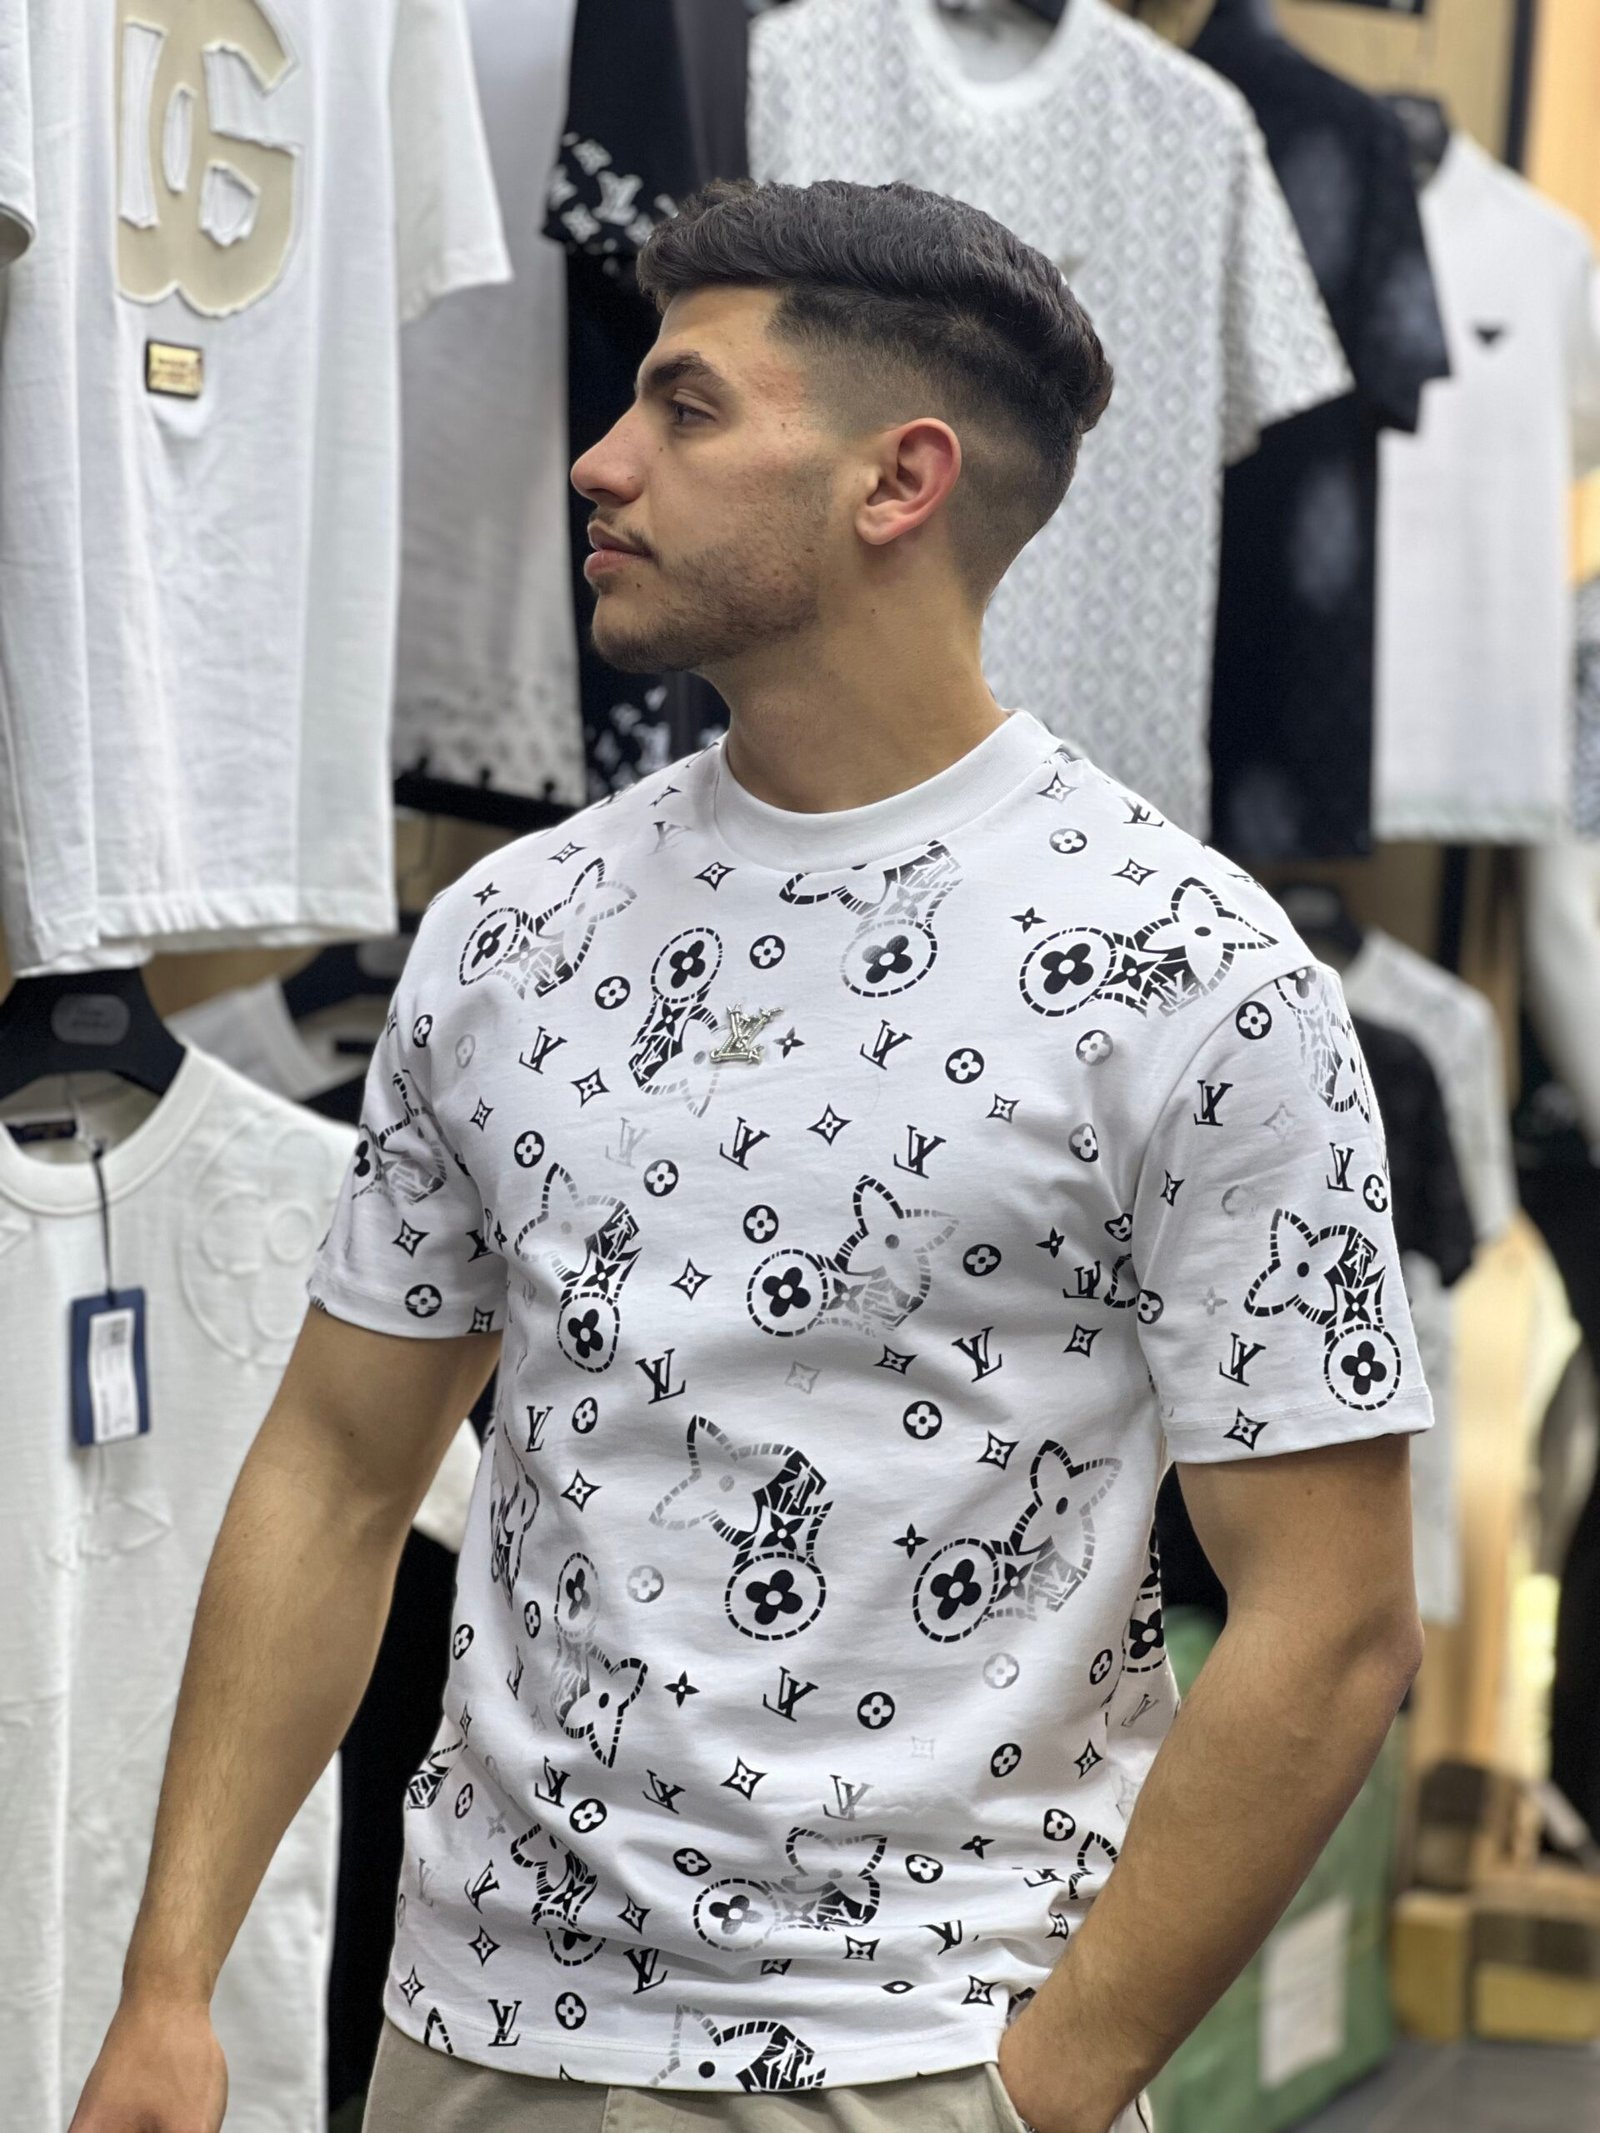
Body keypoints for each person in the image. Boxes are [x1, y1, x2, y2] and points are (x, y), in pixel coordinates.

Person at [72, 176, 1428, 2133]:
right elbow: (339, 1468)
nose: (599, 459)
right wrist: (167, 1982)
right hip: (474, 2041)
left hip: (918, 2057)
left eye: (685, 407)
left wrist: (1049, 2082)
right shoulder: (507, 931)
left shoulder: (1189, 975)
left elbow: (1333, 1620)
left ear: (899, 480)